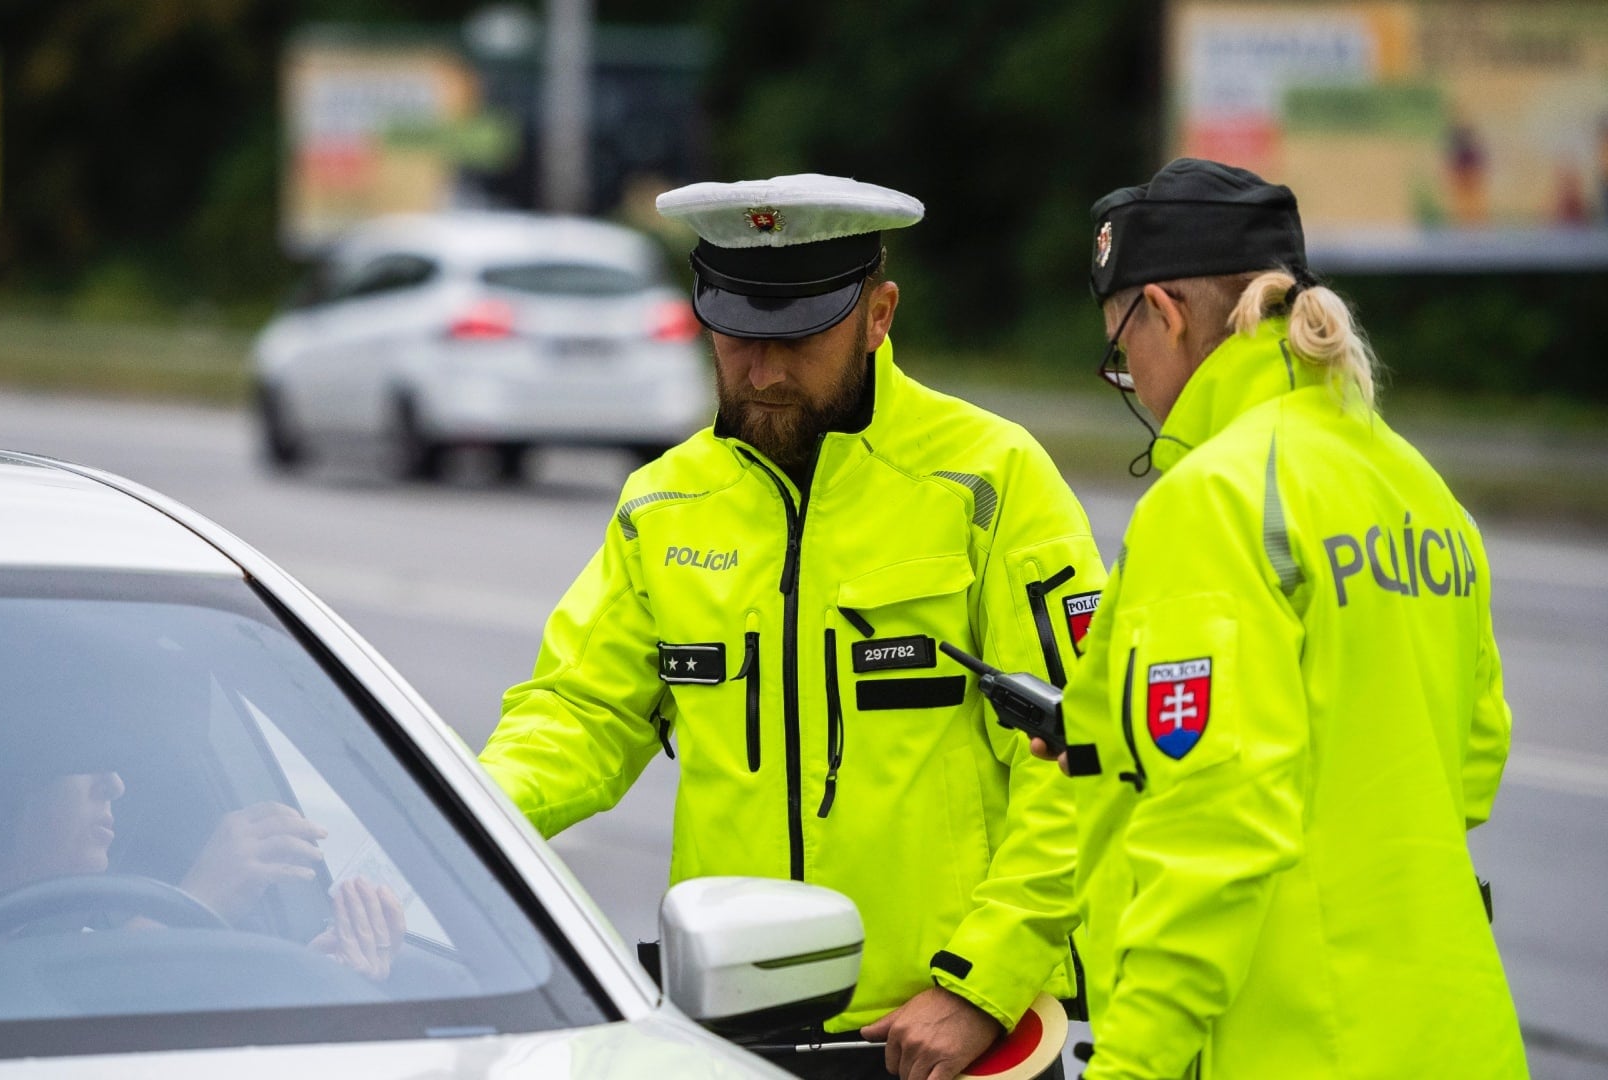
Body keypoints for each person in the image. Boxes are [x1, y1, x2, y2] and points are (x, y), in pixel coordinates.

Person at [479, 174, 1107, 1080]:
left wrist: (982, 984)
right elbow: (576, 717)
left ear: (879, 314)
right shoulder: (662, 504)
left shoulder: (992, 480)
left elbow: (1082, 757)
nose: (764, 370)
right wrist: (452, 825)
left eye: (799, 338)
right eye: (736, 335)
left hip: (943, 1039)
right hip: (727, 1036)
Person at [1047, 157, 1528, 1077]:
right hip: (1456, 1036)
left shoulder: (1215, 499)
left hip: (1294, 1042)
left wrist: (1133, 1064)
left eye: (1121, 352)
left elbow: (1215, 826)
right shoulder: (1420, 489)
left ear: (1167, 310)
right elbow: (1470, 766)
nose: (1133, 385)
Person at [0, 766, 405, 1019]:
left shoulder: (49, 934)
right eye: (81, 754)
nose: (116, 782)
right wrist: (200, 898)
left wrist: (307, 981)